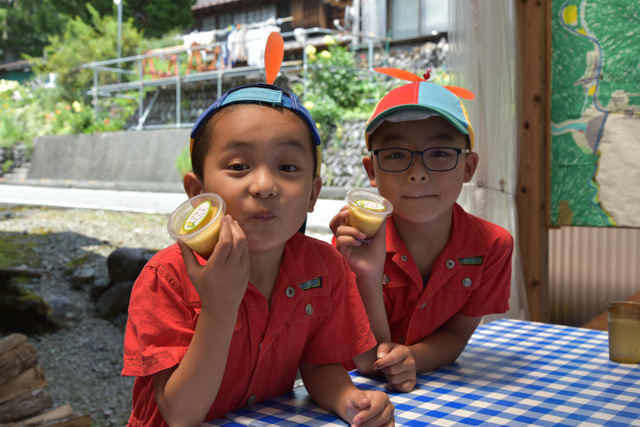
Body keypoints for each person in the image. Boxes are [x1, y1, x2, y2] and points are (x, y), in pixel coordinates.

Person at [122, 34, 394, 427]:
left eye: (287, 168)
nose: (264, 185)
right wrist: (218, 308)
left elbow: (319, 365)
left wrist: (350, 399)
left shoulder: (324, 267)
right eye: (238, 166)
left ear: (313, 194)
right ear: (197, 193)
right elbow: (180, 414)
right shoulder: (166, 279)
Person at [330, 72, 514, 393]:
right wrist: (368, 276)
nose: (417, 174)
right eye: (397, 155)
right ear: (372, 171)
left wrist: (412, 358)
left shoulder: (493, 246)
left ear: (468, 167)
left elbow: (456, 336)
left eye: (440, 153)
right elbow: (367, 361)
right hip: (352, 395)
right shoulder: (354, 243)